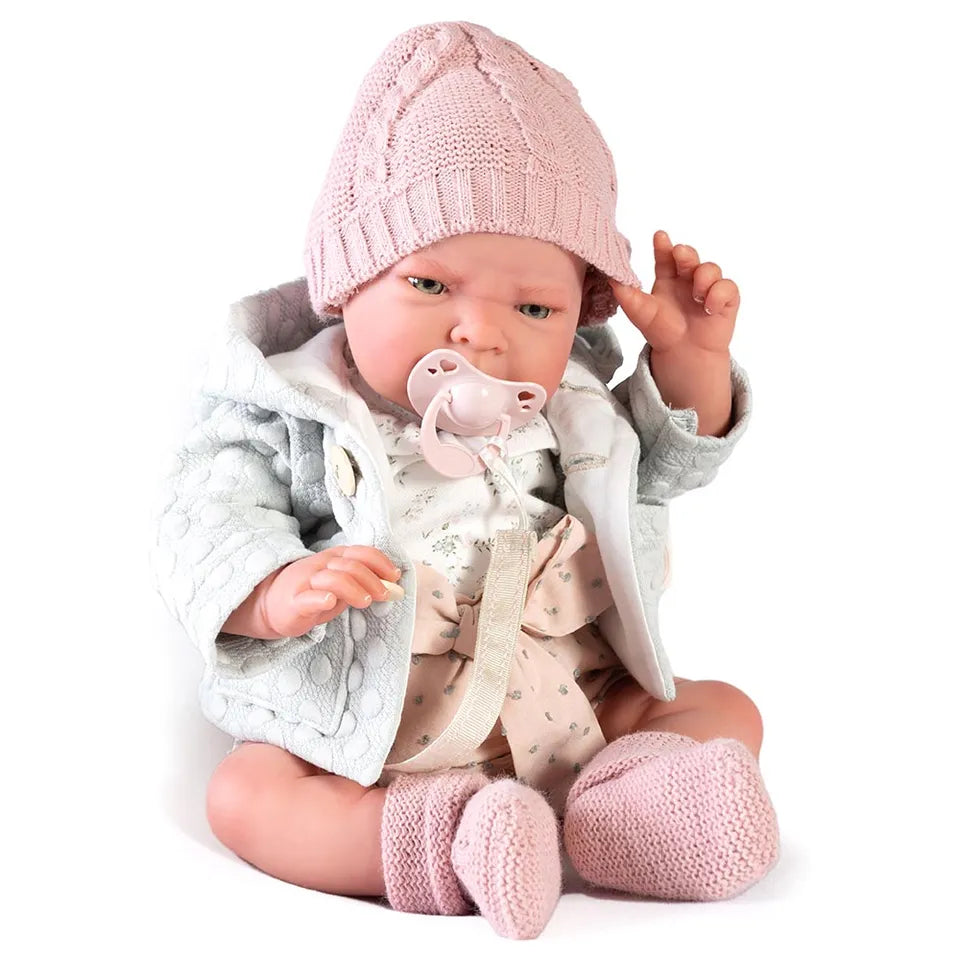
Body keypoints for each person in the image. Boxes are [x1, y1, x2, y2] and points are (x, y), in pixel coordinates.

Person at [151, 20, 779, 940]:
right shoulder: (288, 409)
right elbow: (204, 521)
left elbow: (664, 463)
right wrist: (276, 591)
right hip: (371, 728)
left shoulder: (573, 406)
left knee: (725, 712)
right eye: (431, 287)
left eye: (533, 306)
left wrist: (690, 363)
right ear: (348, 280)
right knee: (247, 794)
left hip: (573, 695)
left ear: (577, 314)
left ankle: (619, 815)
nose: (481, 333)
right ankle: (450, 843)